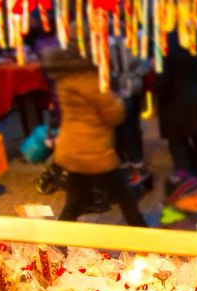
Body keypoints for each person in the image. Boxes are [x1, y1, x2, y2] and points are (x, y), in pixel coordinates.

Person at [41, 25, 147, 227]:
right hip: (95, 153)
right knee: (125, 200)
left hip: (72, 150)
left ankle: (57, 245)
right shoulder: (90, 80)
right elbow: (114, 114)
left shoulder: (65, 77)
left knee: (75, 203)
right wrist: (119, 100)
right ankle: (148, 240)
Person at [156, 27, 197, 186]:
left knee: (178, 143)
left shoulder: (164, 42)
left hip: (174, 100)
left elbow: (162, 78)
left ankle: (186, 182)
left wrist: (161, 94)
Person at [109, 33, 151, 187]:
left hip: (132, 91)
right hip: (115, 92)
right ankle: (128, 166)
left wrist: (131, 77)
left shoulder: (136, 37)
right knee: (121, 131)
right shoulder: (104, 41)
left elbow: (145, 64)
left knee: (130, 129)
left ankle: (136, 166)